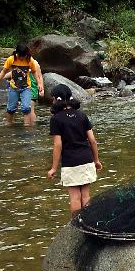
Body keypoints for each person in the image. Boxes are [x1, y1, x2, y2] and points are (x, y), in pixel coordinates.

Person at [47, 85, 101, 215]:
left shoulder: (56, 119)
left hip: (70, 161)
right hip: (87, 159)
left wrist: (54, 168)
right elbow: (92, 140)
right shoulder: (82, 115)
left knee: (75, 197)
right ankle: (89, 222)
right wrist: (96, 160)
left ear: (56, 99)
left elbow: (57, 145)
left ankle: (77, 227)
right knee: (86, 196)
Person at [0, 43, 44, 126]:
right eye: (20, 56)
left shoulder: (29, 60)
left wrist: (39, 84)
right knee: (10, 109)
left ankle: (27, 126)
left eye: (23, 56)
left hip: (26, 87)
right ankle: (8, 125)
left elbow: (35, 72)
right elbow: (4, 71)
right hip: (14, 87)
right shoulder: (11, 59)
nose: (21, 58)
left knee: (26, 108)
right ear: (17, 53)